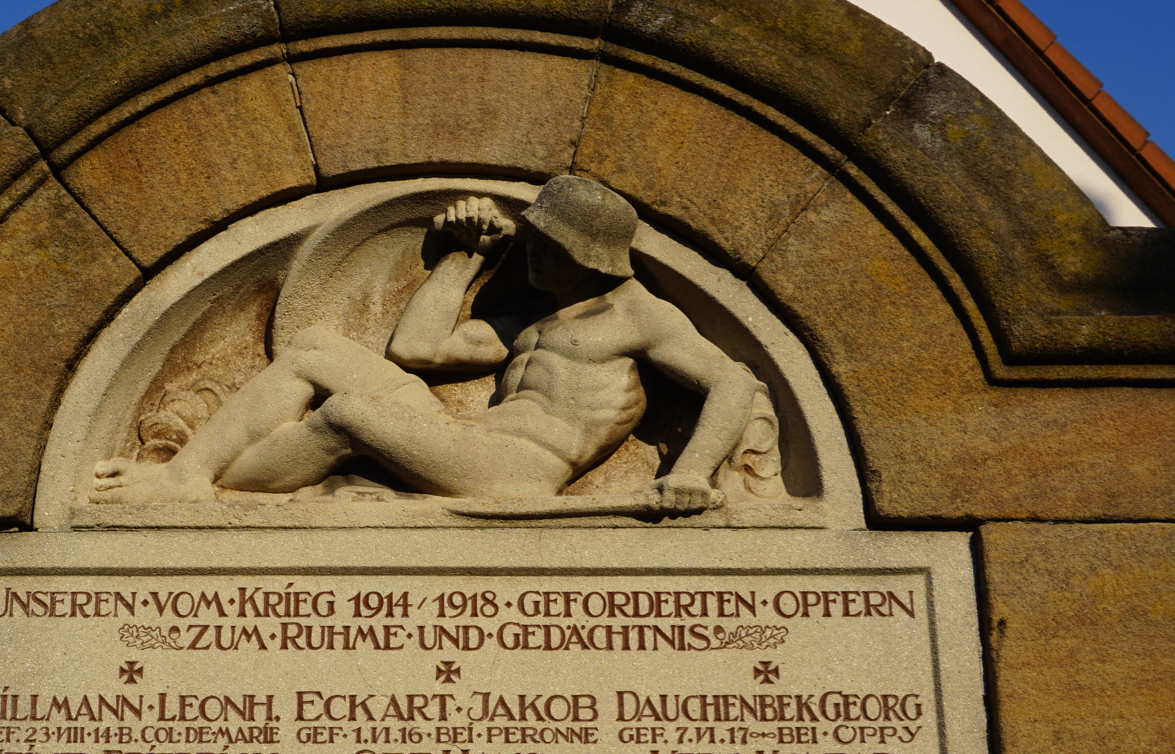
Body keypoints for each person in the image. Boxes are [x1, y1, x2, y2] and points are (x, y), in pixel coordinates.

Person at [90, 175, 760, 511]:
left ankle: (204, 486)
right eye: (535, 239)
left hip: (521, 471)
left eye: (551, 249)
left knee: (350, 413)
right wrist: (466, 256)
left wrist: (692, 471)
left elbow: (732, 380)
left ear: (592, 258)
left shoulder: (644, 318)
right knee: (317, 348)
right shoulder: (534, 319)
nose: (533, 256)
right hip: (466, 442)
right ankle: (186, 475)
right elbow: (417, 351)